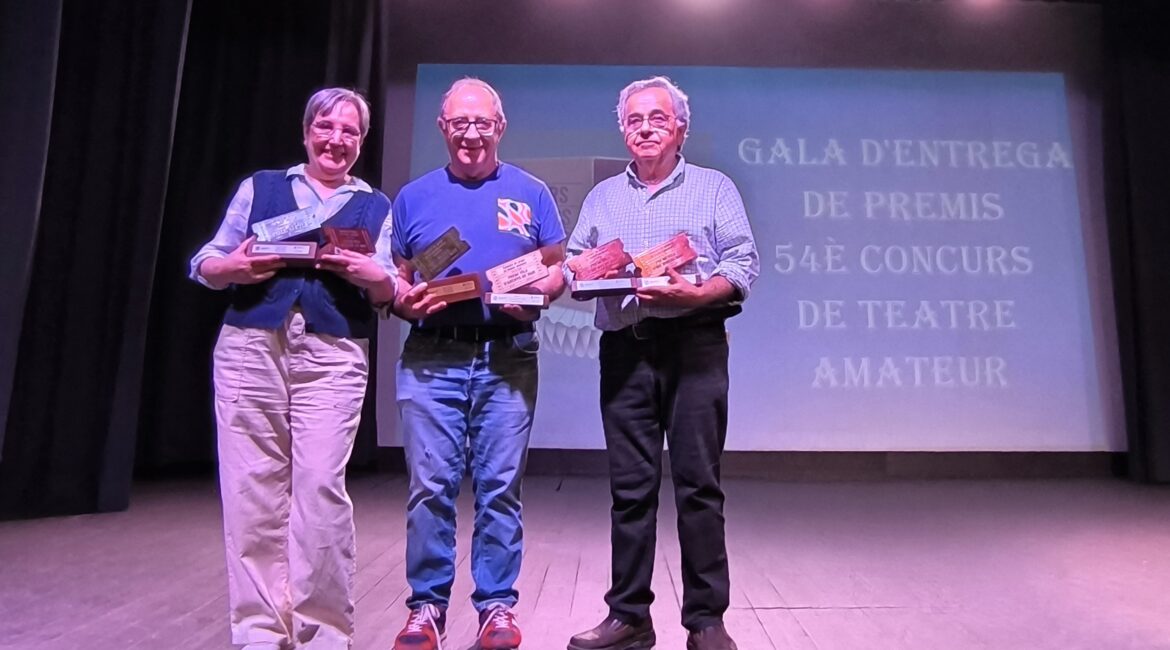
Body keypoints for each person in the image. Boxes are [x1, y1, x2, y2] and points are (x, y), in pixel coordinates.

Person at [190, 88, 397, 650]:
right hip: (250, 346)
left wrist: (368, 274)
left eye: (350, 131)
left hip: (332, 352)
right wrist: (233, 266)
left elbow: (390, 286)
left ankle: (324, 632)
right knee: (251, 491)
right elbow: (207, 262)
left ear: (361, 140)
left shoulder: (377, 205)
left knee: (321, 489)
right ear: (307, 132)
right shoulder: (261, 187)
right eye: (326, 127)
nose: (337, 139)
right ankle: (259, 630)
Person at [565, 76, 759, 650]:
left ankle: (705, 621)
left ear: (680, 127)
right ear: (623, 130)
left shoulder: (714, 187)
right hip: (625, 350)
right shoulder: (603, 198)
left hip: (695, 346)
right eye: (633, 120)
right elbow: (575, 264)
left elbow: (743, 263)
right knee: (631, 490)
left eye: (656, 117)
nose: (644, 127)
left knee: (699, 486)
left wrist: (698, 295)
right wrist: (582, 273)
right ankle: (629, 616)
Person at [388, 78, 566, 650]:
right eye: (459, 124)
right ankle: (426, 609)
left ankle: (495, 608)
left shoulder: (532, 192)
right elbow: (398, 277)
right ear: (443, 128)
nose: (470, 134)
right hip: (430, 356)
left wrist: (539, 291)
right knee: (430, 488)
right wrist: (400, 298)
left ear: (500, 126)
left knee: (500, 489)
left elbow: (556, 266)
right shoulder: (412, 197)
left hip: (507, 355)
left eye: (481, 123)